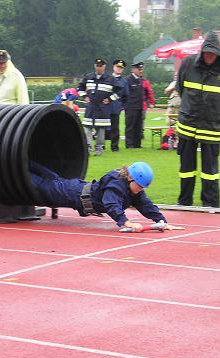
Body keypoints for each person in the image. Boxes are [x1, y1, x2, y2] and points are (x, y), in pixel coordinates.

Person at [29, 161, 184, 232]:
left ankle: (25, 160)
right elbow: (111, 204)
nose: (141, 190)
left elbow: (146, 205)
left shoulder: (134, 189)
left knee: (51, 178)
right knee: (40, 185)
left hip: (77, 187)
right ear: (131, 178)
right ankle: (13, 163)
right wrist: (126, 222)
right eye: (140, 186)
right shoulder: (116, 183)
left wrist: (162, 221)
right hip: (71, 194)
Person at [175, 31, 220, 208]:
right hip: (188, 125)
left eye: (213, 53)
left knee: (210, 172)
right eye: (207, 53)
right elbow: (180, 88)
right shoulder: (188, 64)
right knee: (186, 169)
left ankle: (210, 204)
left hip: (211, 128)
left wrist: (214, 110)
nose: (209, 56)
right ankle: (185, 202)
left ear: (218, 54)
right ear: (201, 52)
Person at [77, 58, 121, 156]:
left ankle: (99, 148)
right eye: (97, 66)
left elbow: (120, 91)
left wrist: (110, 99)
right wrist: (84, 96)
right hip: (91, 107)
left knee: (101, 129)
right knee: (87, 128)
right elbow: (80, 87)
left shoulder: (110, 79)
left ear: (104, 67)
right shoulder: (88, 77)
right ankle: (87, 147)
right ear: (94, 66)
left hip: (103, 108)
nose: (98, 68)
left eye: (100, 66)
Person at [125, 62, 146, 149]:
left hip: (139, 107)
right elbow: (126, 94)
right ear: (133, 70)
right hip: (131, 107)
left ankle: (137, 144)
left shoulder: (140, 80)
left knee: (138, 126)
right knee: (130, 126)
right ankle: (129, 144)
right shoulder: (128, 80)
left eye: (141, 69)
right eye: (139, 69)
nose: (141, 71)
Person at [109, 59, 128, 152]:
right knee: (101, 127)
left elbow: (126, 96)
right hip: (104, 107)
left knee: (115, 128)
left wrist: (121, 106)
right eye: (117, 67)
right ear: (113, 67)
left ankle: (114, 146)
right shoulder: (107, 78)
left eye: (121, 68)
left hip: (115, 107)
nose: (119, 69)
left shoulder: (124, 82)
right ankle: (101, 145)